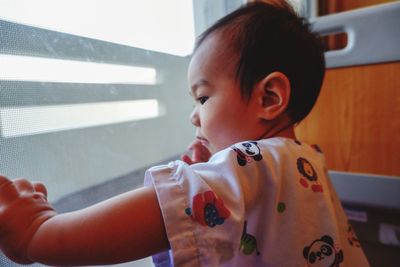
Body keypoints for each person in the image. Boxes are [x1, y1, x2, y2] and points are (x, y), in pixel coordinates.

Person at [0, 1, 370, 266]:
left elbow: (161, 214)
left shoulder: (256, 161)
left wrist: (39, 232)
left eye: (204, 97)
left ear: (269, 97)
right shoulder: (307, 160)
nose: (195, 117)